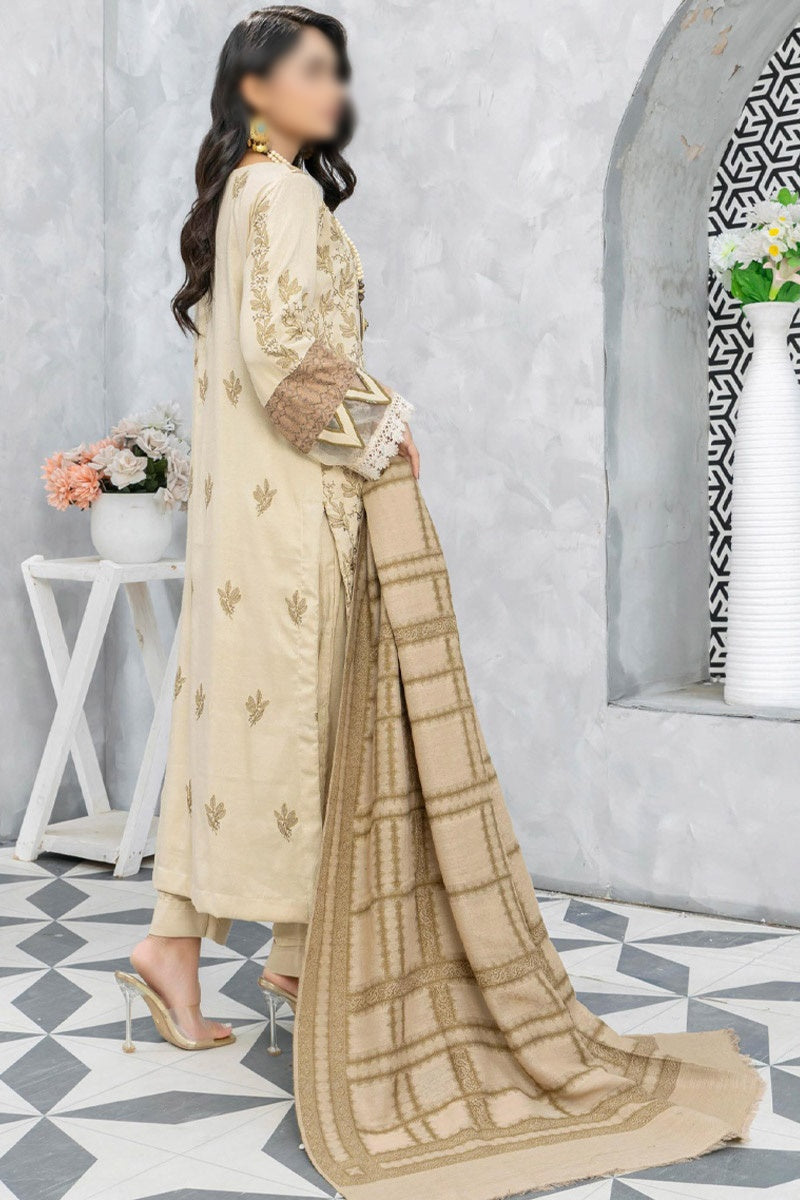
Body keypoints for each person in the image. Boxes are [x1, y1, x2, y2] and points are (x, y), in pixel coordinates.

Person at [117, 5, 418, 1049]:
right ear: (255, 87)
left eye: (338, 70)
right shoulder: (282, 191)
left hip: (243, 518)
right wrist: (383, 432)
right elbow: (280, 351)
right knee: (304, 717)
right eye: (313, 70)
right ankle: (292, 956)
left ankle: (191, 946)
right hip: (291, 510)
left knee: (243, 721)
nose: (334, 89)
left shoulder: (240, 191)